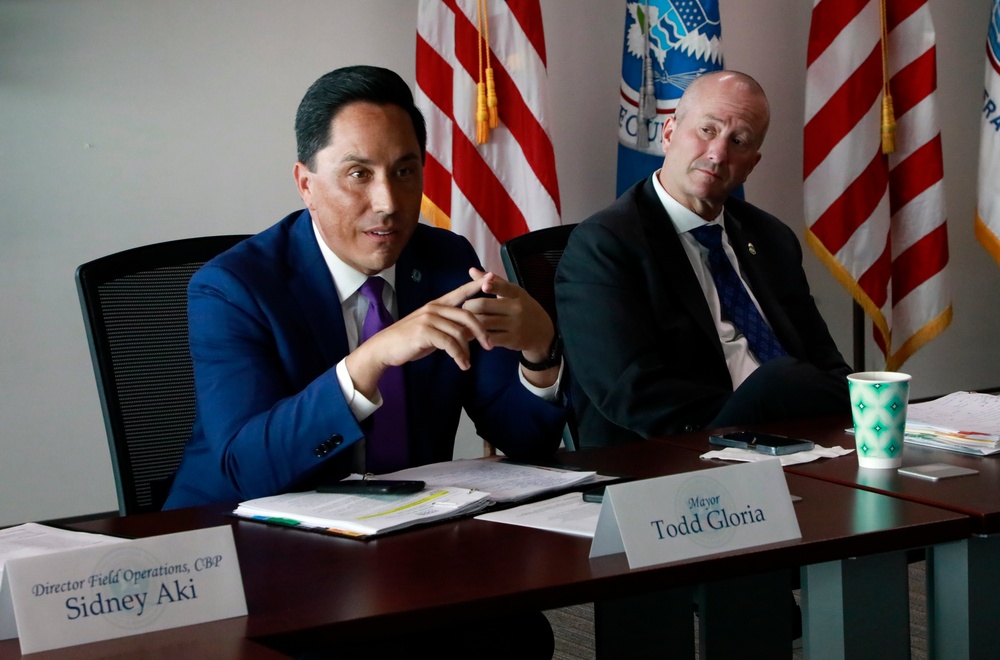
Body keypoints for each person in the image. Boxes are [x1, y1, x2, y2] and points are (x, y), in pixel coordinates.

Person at [164, 65, 565, 509]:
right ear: (306, 184)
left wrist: (539, 352)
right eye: (359, 174)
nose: (388, 203)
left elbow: (524, 441)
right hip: (240, 537)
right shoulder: (233, 289)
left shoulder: (446, 262)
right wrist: (370, 361)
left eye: (405, 172)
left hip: (404, 531)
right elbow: (248, 470)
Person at [556, 70, 850, 447]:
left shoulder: (771, 237)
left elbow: (824, 360)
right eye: (707, 130)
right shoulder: (605, 245)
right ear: (669, 133)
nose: (718, 153)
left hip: (796, 438)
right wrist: (753, 414)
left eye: (738, 140)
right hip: (681, 450)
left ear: (752, 164)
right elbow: (633, 393)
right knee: (784, 378)